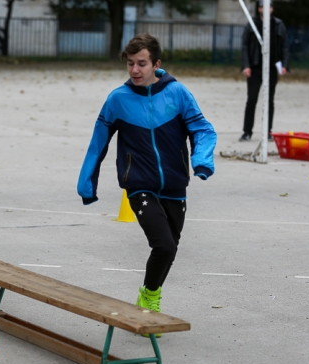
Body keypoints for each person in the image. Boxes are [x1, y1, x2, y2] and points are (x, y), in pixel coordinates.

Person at [77, 33, 216, 327]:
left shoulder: (177, 93)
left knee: (170, 248)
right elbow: (98, 142)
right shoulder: (118, 99)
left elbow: (203, 130)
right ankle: (152, 299)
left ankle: (148, 292)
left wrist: (202, 160)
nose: (135, 70)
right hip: (138, 183)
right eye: (130, 64)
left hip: (175, 185)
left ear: (156, 64)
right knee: (164, 244)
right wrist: (87, 184)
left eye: (142, 63)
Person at [239, 0, 289, 142]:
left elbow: (285, 46)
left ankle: (268, 132)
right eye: (262, 7)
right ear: (259, 9)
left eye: (268, 6)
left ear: (272, 9)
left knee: (269, 101)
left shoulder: (278, 25)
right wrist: (246, 65)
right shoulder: (252, 24)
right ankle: (247, 131)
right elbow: (245, 46)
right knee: (252, 99)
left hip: (272, 67)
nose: (265, 9)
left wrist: (284, 64)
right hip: (255, 68)